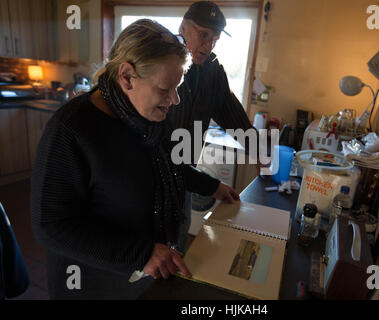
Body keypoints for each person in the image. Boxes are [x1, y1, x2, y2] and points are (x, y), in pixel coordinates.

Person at [30, 19, 238, 300]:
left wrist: (211, 186)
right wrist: (142, 253)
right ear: (127, 77)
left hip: (142, 276)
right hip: (94, 285)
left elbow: (170, 163)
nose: (174, 99)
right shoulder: (72, 129)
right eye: (165, 89)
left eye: (176, 88)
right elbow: (51, 226)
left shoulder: (149, 116)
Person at [168, 1, 260, 249]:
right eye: (203, 35)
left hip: (186, 171)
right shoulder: (162, 63)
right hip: (154, 174)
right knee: (152, 243)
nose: (208, 45)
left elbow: (230, 112)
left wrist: (259, 150)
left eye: (215, 39)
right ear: (183, 28)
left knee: (179, 233)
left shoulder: (211, 72)